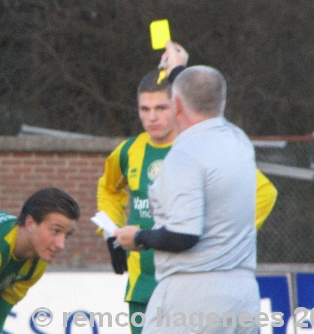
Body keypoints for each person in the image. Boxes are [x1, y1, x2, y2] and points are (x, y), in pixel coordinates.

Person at [96, 42, 277, 333]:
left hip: (193, 293)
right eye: (145, 108)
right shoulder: (238, 140)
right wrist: (178, 69)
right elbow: (201, 98)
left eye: (162, 106)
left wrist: (139, 237)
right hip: (242, 293)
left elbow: (183, 235)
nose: (152, 116)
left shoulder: (184, 154)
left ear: (176, 104)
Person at [0, 187, 80, 334]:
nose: (61, 245)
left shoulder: (38, 261)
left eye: (67, 235)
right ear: (30, 223)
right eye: (55, 231)